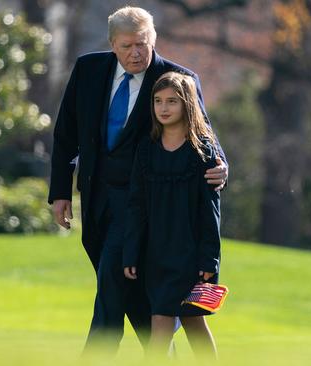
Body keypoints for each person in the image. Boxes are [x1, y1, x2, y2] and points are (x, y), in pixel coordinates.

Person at [47, 6, 228, 352]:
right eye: (128, 45)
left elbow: (205, 137)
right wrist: (61, 192)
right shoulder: (88, 70)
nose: (136, 53)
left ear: (153, 40)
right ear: (113, 44)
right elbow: (66, 134)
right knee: (132, 295)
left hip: (144, 210)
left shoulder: (175, 79)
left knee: (112, 286)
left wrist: (222, 167)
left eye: (142, 44)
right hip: (97, 203)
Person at [123, 72, 221, 359]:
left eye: (172, 102)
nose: (163, 108)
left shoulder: (202, 153)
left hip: (191, 257)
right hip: (156, 255)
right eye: (157, 101)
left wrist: (209, 259)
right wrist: (131, 252)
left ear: (187, 105)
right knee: (160, 323)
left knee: (194, 322)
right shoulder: (146, 150)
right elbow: (136, 205)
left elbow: (210, 211)